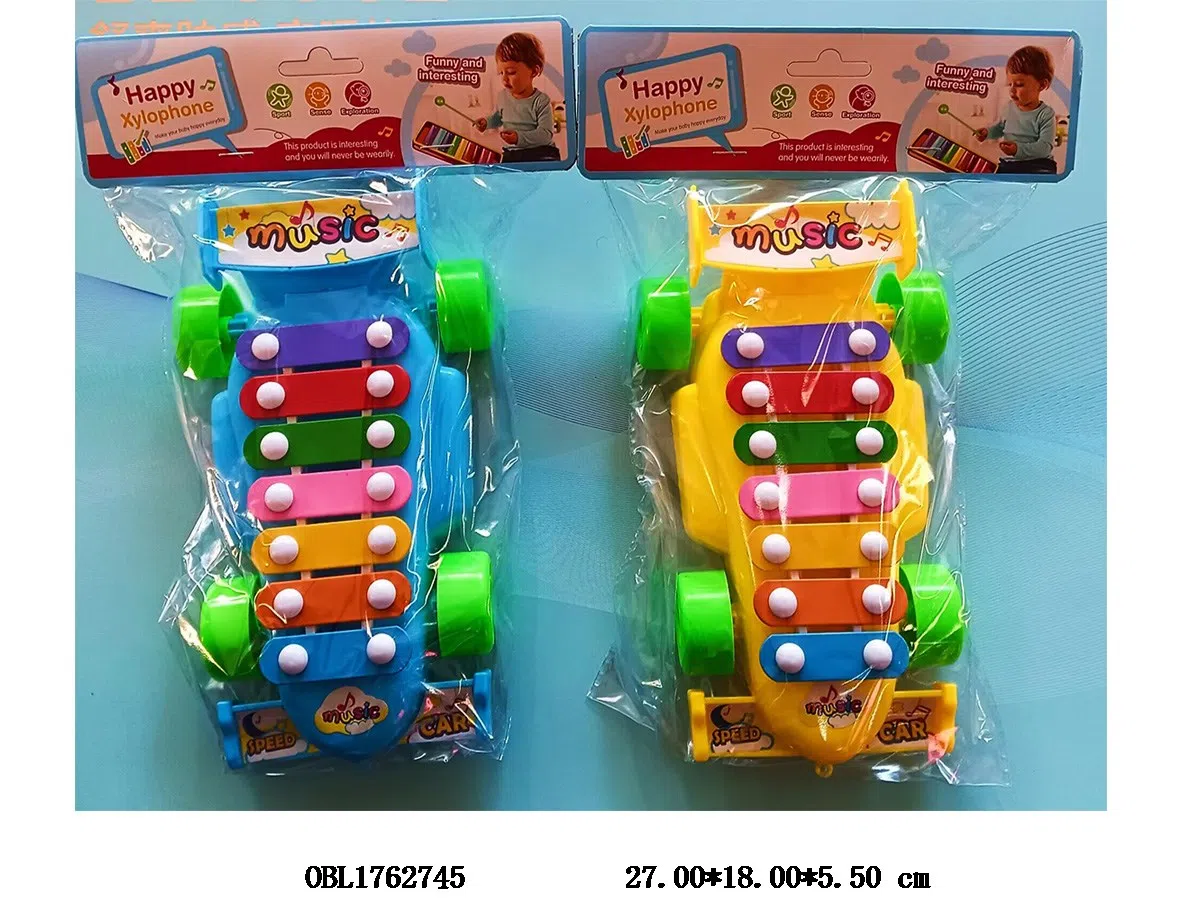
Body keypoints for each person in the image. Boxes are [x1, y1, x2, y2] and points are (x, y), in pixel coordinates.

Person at [475, 32, 561, 163]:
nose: (504, 79)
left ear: (534, 71)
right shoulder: (502, 96)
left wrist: (518, 138)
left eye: (511, 72)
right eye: (501, 73)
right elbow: (498, 117)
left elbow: (545, 135)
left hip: (541, 153)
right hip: (513, 153)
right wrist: (487, 123)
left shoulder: (541, 101)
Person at [975, 46, 1058, 175]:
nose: (1012, 91)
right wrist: (988, 133)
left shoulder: (1046, 114)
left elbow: (1045, 148)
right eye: (1010, 84)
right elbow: (1000, 128)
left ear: (1042, 85)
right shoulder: (1008, 107)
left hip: (1038, 164)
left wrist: (1017, 149)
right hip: (1010, 162)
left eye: (1019, 84)